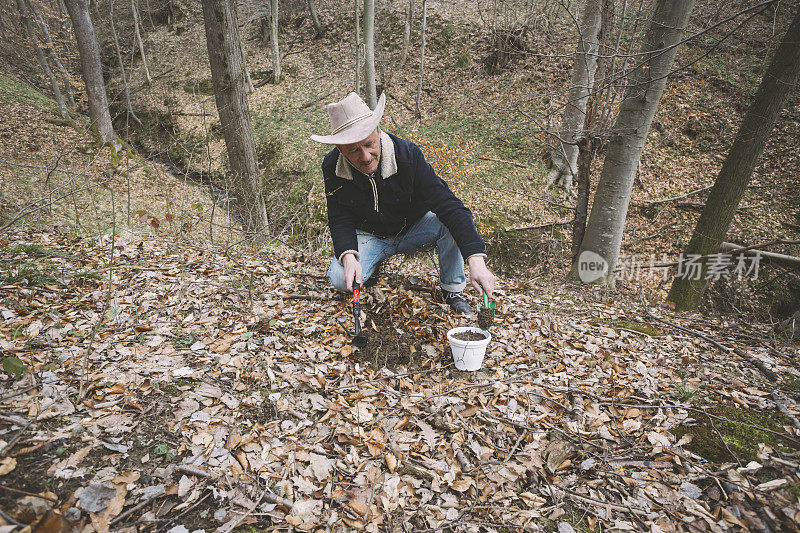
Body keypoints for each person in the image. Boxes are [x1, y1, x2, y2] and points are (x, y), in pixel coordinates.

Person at [310, 92, 495, 315]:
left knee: (448, 223)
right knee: (340, 280)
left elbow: (449, 205)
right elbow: (339, 218)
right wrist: (349, 258)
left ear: (378, 130)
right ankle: (370, 268)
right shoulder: (331, 167)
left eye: (369, 144)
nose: (366, 156)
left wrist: (476, 261)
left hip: (412, 229)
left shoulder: (408, 154)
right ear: (340, 149)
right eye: (354, 150)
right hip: (368, 236)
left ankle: (453, 290)